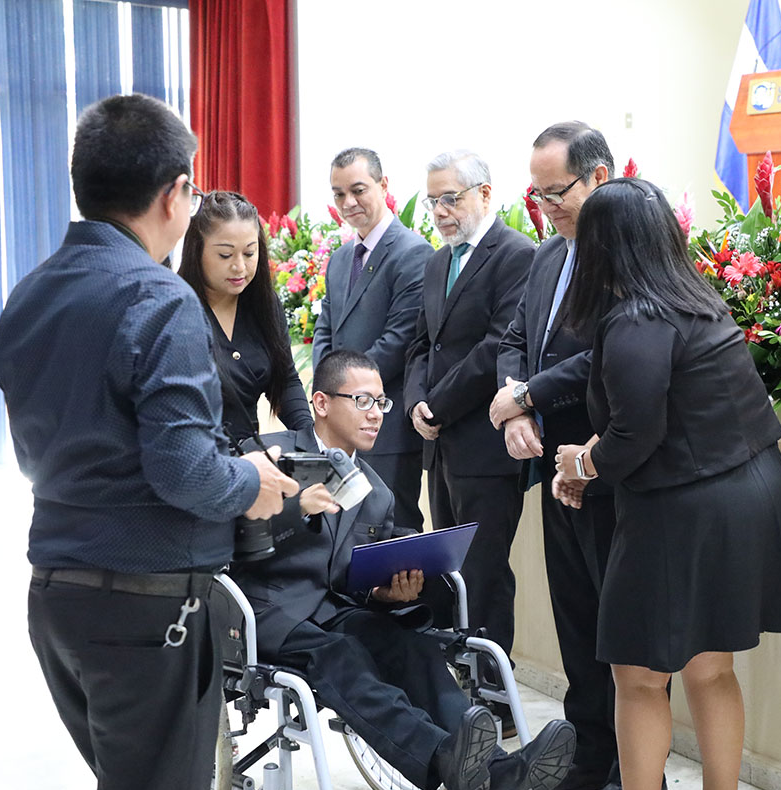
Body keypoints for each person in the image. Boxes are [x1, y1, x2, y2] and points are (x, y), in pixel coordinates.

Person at [0, 93, 299, 790]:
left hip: (57, 600)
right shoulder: (159, 298)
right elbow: (185, 471)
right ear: (175, 194)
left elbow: (32, 456)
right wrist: (250, 480)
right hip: (146, 607)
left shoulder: (30, 293)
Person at [550, 178, 781, 790]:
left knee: (639, 676)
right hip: (753, 490)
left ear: (602, 245)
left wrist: (581, 467)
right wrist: (592, 456)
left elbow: (635, 433)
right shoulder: (696, 299)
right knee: (710, 667)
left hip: (689, 510)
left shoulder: (636, 316)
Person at [232, 349, 577, 790]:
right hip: (269, 611)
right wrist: (298, 506)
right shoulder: (269, 454)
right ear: (321, 402)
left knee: (410, 647)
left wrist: (388, 593)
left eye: (381, 403)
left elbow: (358, 574)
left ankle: (499, 771)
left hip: (334, 609)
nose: (375, 415)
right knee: (342, 656)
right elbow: (233, 530)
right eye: (362, 401)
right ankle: (444, 760)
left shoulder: (375, 492)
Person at [491, 121, 668, 790]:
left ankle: (637, 775)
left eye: (557, 191)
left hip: (609, 463)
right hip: (551, 466)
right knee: (576, 618)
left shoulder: (627, 260)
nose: (547, 206)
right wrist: (518, 406)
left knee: (624, 631)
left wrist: (526, 395)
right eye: (536, 194)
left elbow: (603, 358)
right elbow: (516, 337)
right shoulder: (543, 257)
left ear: (601, 176)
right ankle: (589, 752)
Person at [403, 151, 534, 710]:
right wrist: (414, 404)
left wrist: (439, 405)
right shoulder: (437, 263)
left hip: (485, 442)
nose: (440, 211)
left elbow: (498, 347)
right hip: (441, 443)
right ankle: (459, 692)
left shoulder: (516, 255)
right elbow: (419, 346)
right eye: (433, 200)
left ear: (484, 193)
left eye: (450, 198)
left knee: (483, 574)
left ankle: (495, 701)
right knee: (448, 573)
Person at [312, 147, 430, 531]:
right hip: (339, 426)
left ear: (383, 186)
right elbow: (324, 330)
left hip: (386, 429)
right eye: (338, 194)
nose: (348, 202)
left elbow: (398, 341)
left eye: (358, 190)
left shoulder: (413, 253)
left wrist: (346, 399)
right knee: (340, 534)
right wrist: (326, 395)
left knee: (391, 534)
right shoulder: (342, 258)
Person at [177, 190, 312, 441]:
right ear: (197, 251)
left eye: (249, 253)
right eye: (225, 255)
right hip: (199, 456)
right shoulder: (175, 310)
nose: (239, 266)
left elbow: (286, 382)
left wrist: (311, 441)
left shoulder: (265, 305)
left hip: (250, 459)